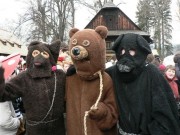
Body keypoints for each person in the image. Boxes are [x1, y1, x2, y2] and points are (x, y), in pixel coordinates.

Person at [106, 33, 180, 135]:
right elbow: (92, 77)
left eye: (131, 51)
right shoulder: (112, 73)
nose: (125, 54)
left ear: (140, 52)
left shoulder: (151, 73)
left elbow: (164, 114)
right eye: (122, 51)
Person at [0, 40, 66, 135]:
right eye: (35, 53)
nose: (39, 57)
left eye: (44, 53)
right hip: (35, 130)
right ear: (30, 56)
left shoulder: (60, 75)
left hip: (58, 128)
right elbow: (3, 95)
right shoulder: (24, 77)